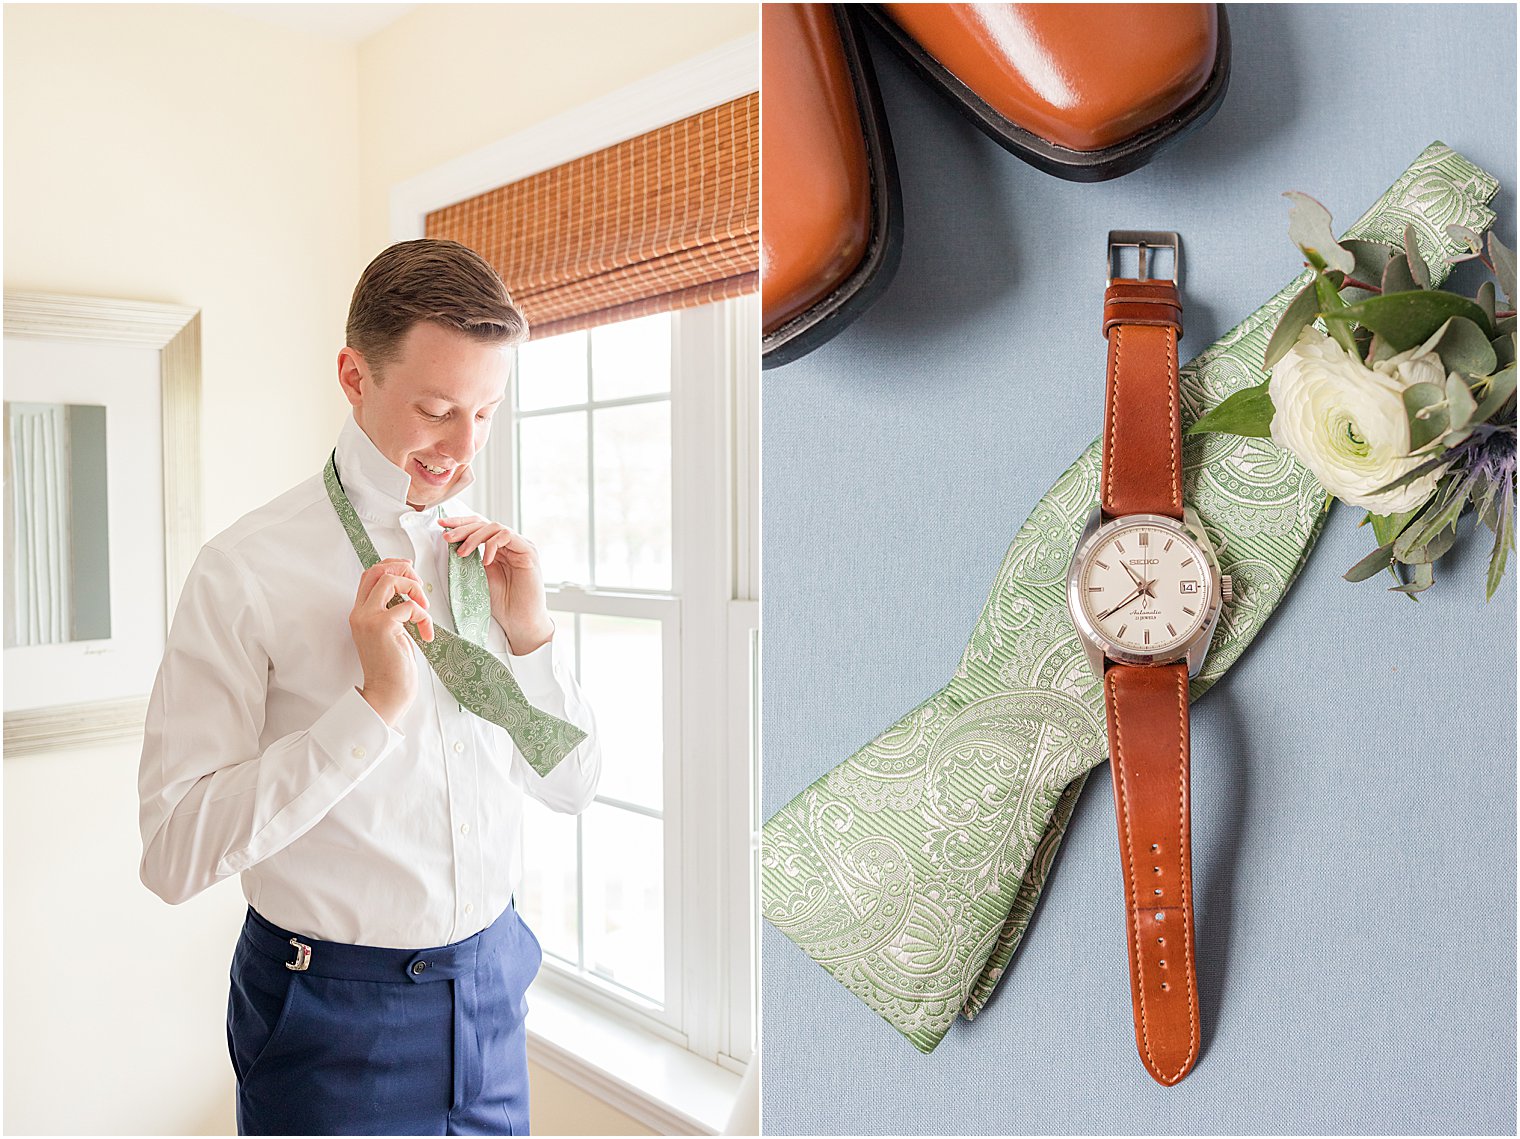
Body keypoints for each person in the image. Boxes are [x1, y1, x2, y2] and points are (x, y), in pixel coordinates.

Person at [136, 239, 600, 1135]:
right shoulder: (243, 571)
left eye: (486, 412)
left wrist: (532, 639)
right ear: (354, 376)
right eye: (435, 409)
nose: (464, 449)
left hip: (494, 991)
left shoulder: (487, 562)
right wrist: (372, 708)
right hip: (329, 1016)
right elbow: (172, 854)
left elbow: (572, 785)